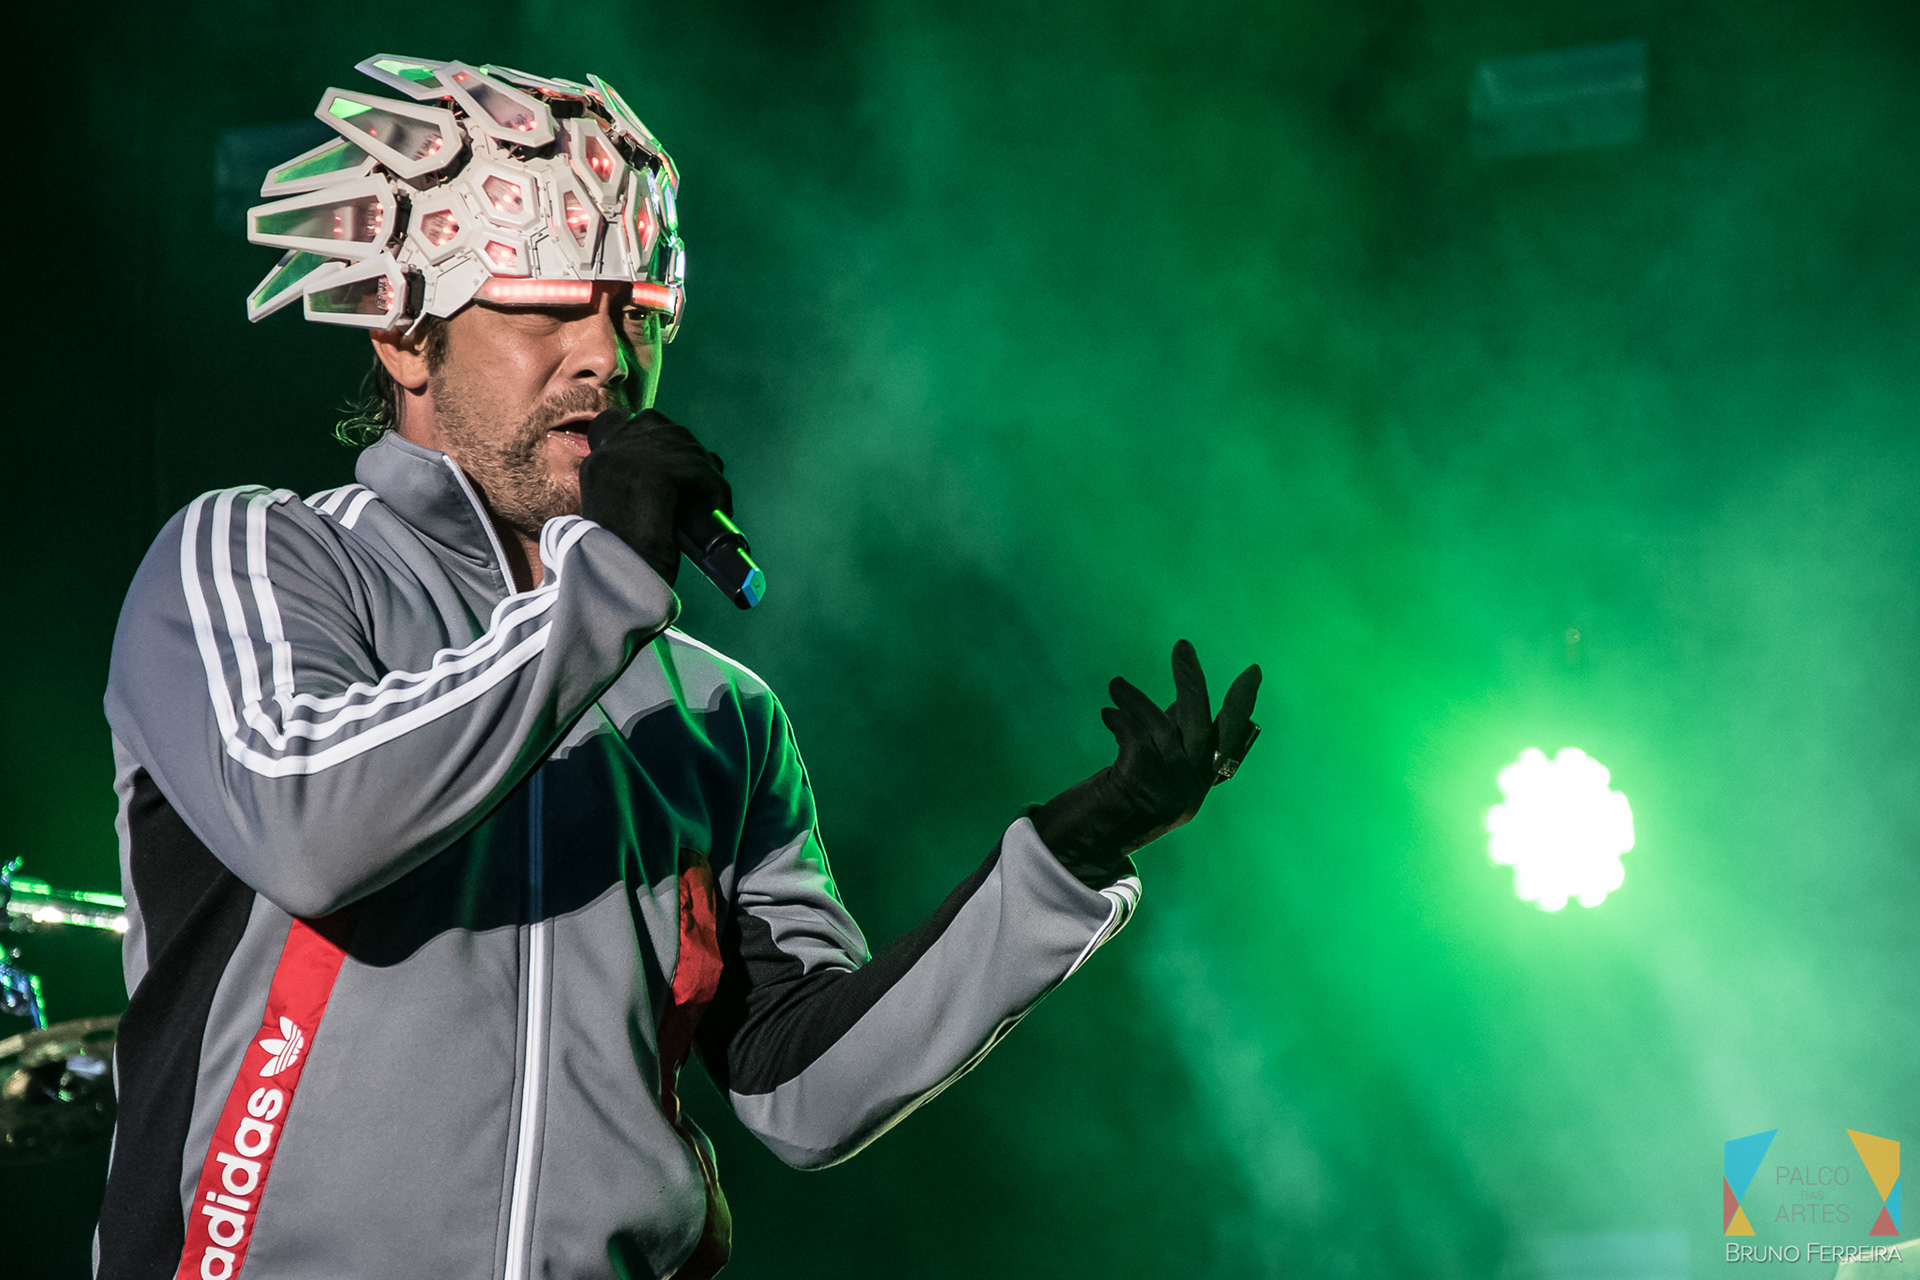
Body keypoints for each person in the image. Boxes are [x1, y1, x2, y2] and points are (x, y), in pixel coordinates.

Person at [97, 55, 1261, 1280]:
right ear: (403, 333)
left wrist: (1064, 860)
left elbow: (801, 1089)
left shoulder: (715, 712)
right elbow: (306, 821)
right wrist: (599, 596)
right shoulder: (255, 557)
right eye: (549, 305)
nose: (606, 356)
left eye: (638, 312)